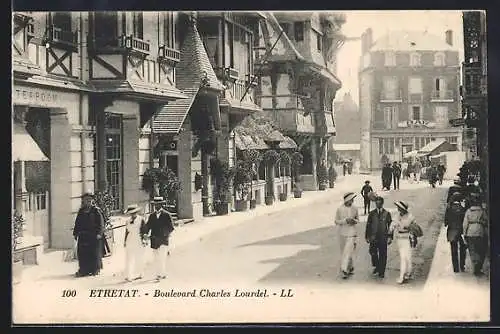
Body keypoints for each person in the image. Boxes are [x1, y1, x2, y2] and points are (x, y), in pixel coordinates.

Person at [143, 196, 175, 282]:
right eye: (155, 205)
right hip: (154, 240)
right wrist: (145, 233)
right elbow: (148, 226)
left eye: (158, 204)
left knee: (162, 257)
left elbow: (171, 227)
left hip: (163, 240)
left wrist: (164, 234)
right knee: (156, 257)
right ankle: (160, 273)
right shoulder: (152, 216)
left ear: (161, 204)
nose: (156, 206)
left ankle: (161, 274)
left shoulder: (166, 215)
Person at [73, 192, 105, 277]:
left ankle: (95, 269)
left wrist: (99, 233)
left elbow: (101, 223)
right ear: (83, 201)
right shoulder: (81, 211)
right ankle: (83, 270)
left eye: (89, 200)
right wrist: (76, 233)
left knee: (93, 253)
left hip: (93, 236)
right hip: (83, 235)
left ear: (92, 201)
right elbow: (77, 223)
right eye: (86, 200)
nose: (88, 202)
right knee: (83, 253)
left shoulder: (96, 211)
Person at [365, 196, 392, 279]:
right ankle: (377, 265)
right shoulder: (372, 213)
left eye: (380, 203)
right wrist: (367, 236)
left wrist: (390, 237)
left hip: (383, 237)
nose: (378, 205)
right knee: (372, 252)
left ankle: (381, 271)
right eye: (377, 203)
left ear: (382, 203)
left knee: (383, 254)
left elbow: (390, 226)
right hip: (373, 237)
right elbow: (368, 225)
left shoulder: (387, 213)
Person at [390, 201, 417, 284]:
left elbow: (415, 229)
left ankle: (404, 275)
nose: (398, 209)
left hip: (407, 238)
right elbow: (392, 225)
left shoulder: (410, 217)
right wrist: (390, 230)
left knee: (406, 257)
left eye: (400, 208)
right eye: (398, 207)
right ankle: (406, 274)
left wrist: (414, 238)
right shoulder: (397, 216)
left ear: (403, 209)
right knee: (404, 257)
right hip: (399, 239)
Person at [334, 192, 360, 279]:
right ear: (347, 200)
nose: (352, 201)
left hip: (352, 233)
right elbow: (336, 221)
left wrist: (353, 221)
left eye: (353, 200)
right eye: (351, 200)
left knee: (347, 252)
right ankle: (350, 267)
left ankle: (344, 270)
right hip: (342, 233)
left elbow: (357, 220)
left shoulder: (355, 208)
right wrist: (345, 221)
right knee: (345, 252)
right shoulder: (340, 209)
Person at [463, 193, 488, 277]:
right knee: (480, 249)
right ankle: (478, 266)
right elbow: (486, 222)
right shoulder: (482, 211)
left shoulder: (468, 211)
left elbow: (465, 224)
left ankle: (475, 264)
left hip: (470, 232)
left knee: (472, 250)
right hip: (480, 232)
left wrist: (464, 233)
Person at [123, 204, 147, 282]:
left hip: (138, 239)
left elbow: (144, 231)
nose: (133, 214)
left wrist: (144, 240)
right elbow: (126, 232)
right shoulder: (127, 221)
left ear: (137, 212)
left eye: (134, 213)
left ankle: (140, 273)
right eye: (131, 213)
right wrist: (125, 241)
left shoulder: (141, 220)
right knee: (129, 258)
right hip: (130, 240)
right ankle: (129, 275)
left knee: (139, 257)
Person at [444, 193, 467, 273]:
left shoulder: (449, 208)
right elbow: (464, 220)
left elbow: (446, 222)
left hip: (452, 231)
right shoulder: (462, 208)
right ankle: (462, 265)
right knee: (463, 248)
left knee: (453, 250)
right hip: (461, 231)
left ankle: (455, 268)